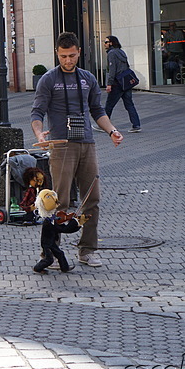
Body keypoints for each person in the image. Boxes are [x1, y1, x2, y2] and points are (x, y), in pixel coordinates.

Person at [31, 31, 123, 268]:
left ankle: (87, 250)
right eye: (63, 56)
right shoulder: (48, 79)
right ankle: (49, 252)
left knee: (92, 198)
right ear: (57, 53)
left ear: (79, 52)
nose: (68, 61)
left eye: (72, 55)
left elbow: (97, 110)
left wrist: (112, 131)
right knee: (57, 202)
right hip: (61, 145)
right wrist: (39, 134)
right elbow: (37, 112)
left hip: (87, 143)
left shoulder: (88, 78)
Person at [102, 35, 141, 133]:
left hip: (117, 83)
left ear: (111, 43)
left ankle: (103, 125)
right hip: (126, 82)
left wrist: (109, 84)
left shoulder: (111, 53)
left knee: (109, 104)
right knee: (129, 104)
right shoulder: (121, 52)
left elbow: (112, 70)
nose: (104, 44)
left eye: (106, 42)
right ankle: (136, 125)